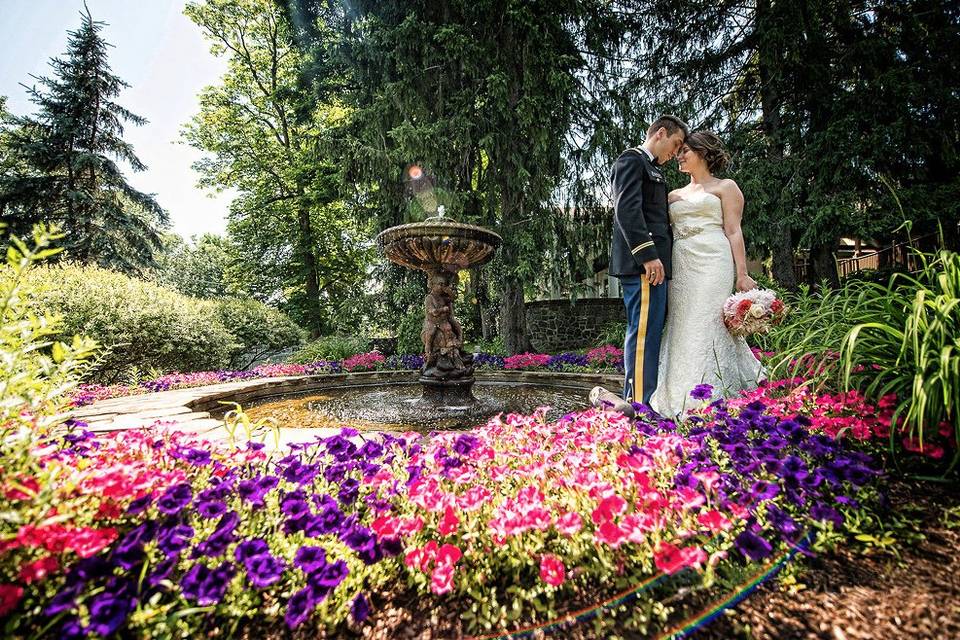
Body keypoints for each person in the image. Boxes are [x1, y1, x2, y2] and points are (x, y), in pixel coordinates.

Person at [649, 131, 764, 419]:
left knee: (709, 321)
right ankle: (677, 394)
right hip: (683, 263)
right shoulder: (673, 195)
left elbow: (734, 231)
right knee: (683, 323)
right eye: (679, 151)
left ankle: (714, 392)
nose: (680, 155)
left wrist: (741, 274)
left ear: (703, 153)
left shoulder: (726, 187)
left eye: (686, 150)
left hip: (714, 260)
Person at [606, 115, 689, 407]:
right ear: (661, 133)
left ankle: (644, 400)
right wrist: (649, 256)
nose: (676, 153)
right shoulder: (631, 160)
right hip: (644, 266)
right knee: (642, 334)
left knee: (651, 332)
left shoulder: (652, 169)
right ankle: (639, 406)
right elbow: (627, 211)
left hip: (654, 267)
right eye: (676, 144)